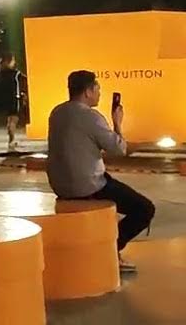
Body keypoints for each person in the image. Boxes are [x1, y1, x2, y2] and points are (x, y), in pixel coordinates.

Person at [47, 70, 155, 274]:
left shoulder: (57, 112)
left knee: (109, 179)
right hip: (88, 185)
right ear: (87, 91)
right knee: (144, 209)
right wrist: (118, 123)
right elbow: (120, 149)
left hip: (60, 184)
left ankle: (103, 246)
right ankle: (111, 250)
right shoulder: (91, 117)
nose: (99, 93)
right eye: (97, 89)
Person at [0, 54, 29, 150]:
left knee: (10, 119)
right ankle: (11, 140)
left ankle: (11, 139)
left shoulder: (0, 73)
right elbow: (25, 79)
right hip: (15, 98)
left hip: (5, 98)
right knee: (14, 119)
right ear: (9, 62)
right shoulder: (16, 73)